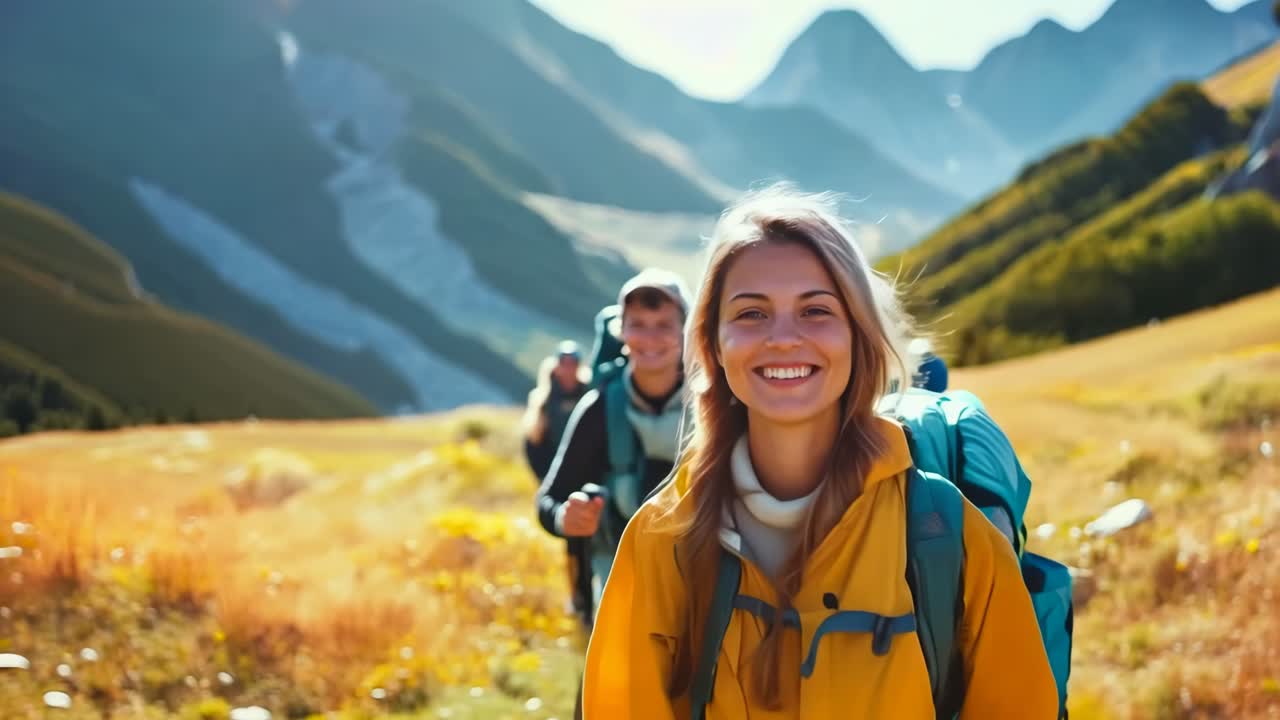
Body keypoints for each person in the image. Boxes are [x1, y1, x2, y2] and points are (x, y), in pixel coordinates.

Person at [581, 186, 1057, 719]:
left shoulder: (946, 535)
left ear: (859, 335)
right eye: (752, 314)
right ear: (713, 345)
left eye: (815, 310)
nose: (783, 338)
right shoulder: (661, 541)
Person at [535, 268, 692, 624]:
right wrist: (567, 518)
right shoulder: (599, 409)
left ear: (686, 332)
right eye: (637, 324)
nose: (650, 338)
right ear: (620, 331)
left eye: (664, 325)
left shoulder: (713, 406)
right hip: (618, 579)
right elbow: (549, 499)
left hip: (699, 575)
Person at [523, 341, 590, 480]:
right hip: (550, 470)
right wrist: (543, 476)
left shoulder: (588, 394)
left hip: (583, 469)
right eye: (564, 362)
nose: (568, 367)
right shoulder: (542, 399)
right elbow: (533, 440)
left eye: (573, 362)